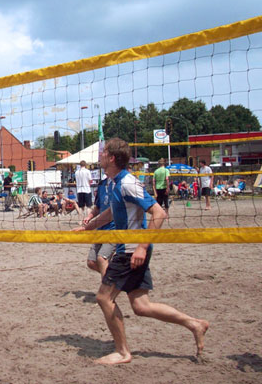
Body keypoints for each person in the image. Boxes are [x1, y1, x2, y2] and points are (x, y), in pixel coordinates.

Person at [76, 138, 208, 365]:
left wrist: (141, 247)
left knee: (103, 298)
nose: (100, 155)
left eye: (103, 152)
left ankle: (123, 352)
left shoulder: (128, 183)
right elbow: (109, 213)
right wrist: (87, 227)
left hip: (131, 250)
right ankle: (195, 324)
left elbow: (159, 214)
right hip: (130, 248)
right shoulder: (114, 183)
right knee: (141, 306)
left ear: (112, 158)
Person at [80, 174, 115, 277]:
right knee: (91, 262)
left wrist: (87, 227)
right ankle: (112, 279)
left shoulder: (120, 183)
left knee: (102, 259)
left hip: (114, 229)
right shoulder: (102, 184)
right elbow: (98, 207)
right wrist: (89, 216)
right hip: (101, 229)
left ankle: (106, 290)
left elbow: (111, 213)